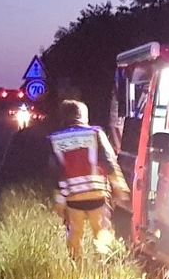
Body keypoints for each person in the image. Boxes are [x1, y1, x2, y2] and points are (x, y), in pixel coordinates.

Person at [48, 99, 129, 260]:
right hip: (97, 196)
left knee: (75, 234)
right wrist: (120, 187)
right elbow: (108, 161)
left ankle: (77, 266)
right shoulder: (95, 133)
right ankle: (104, 265)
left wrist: (59, 202)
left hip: (73, 199)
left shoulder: (55, 139)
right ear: (83, 115)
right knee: (102, 232)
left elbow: (55, 174)